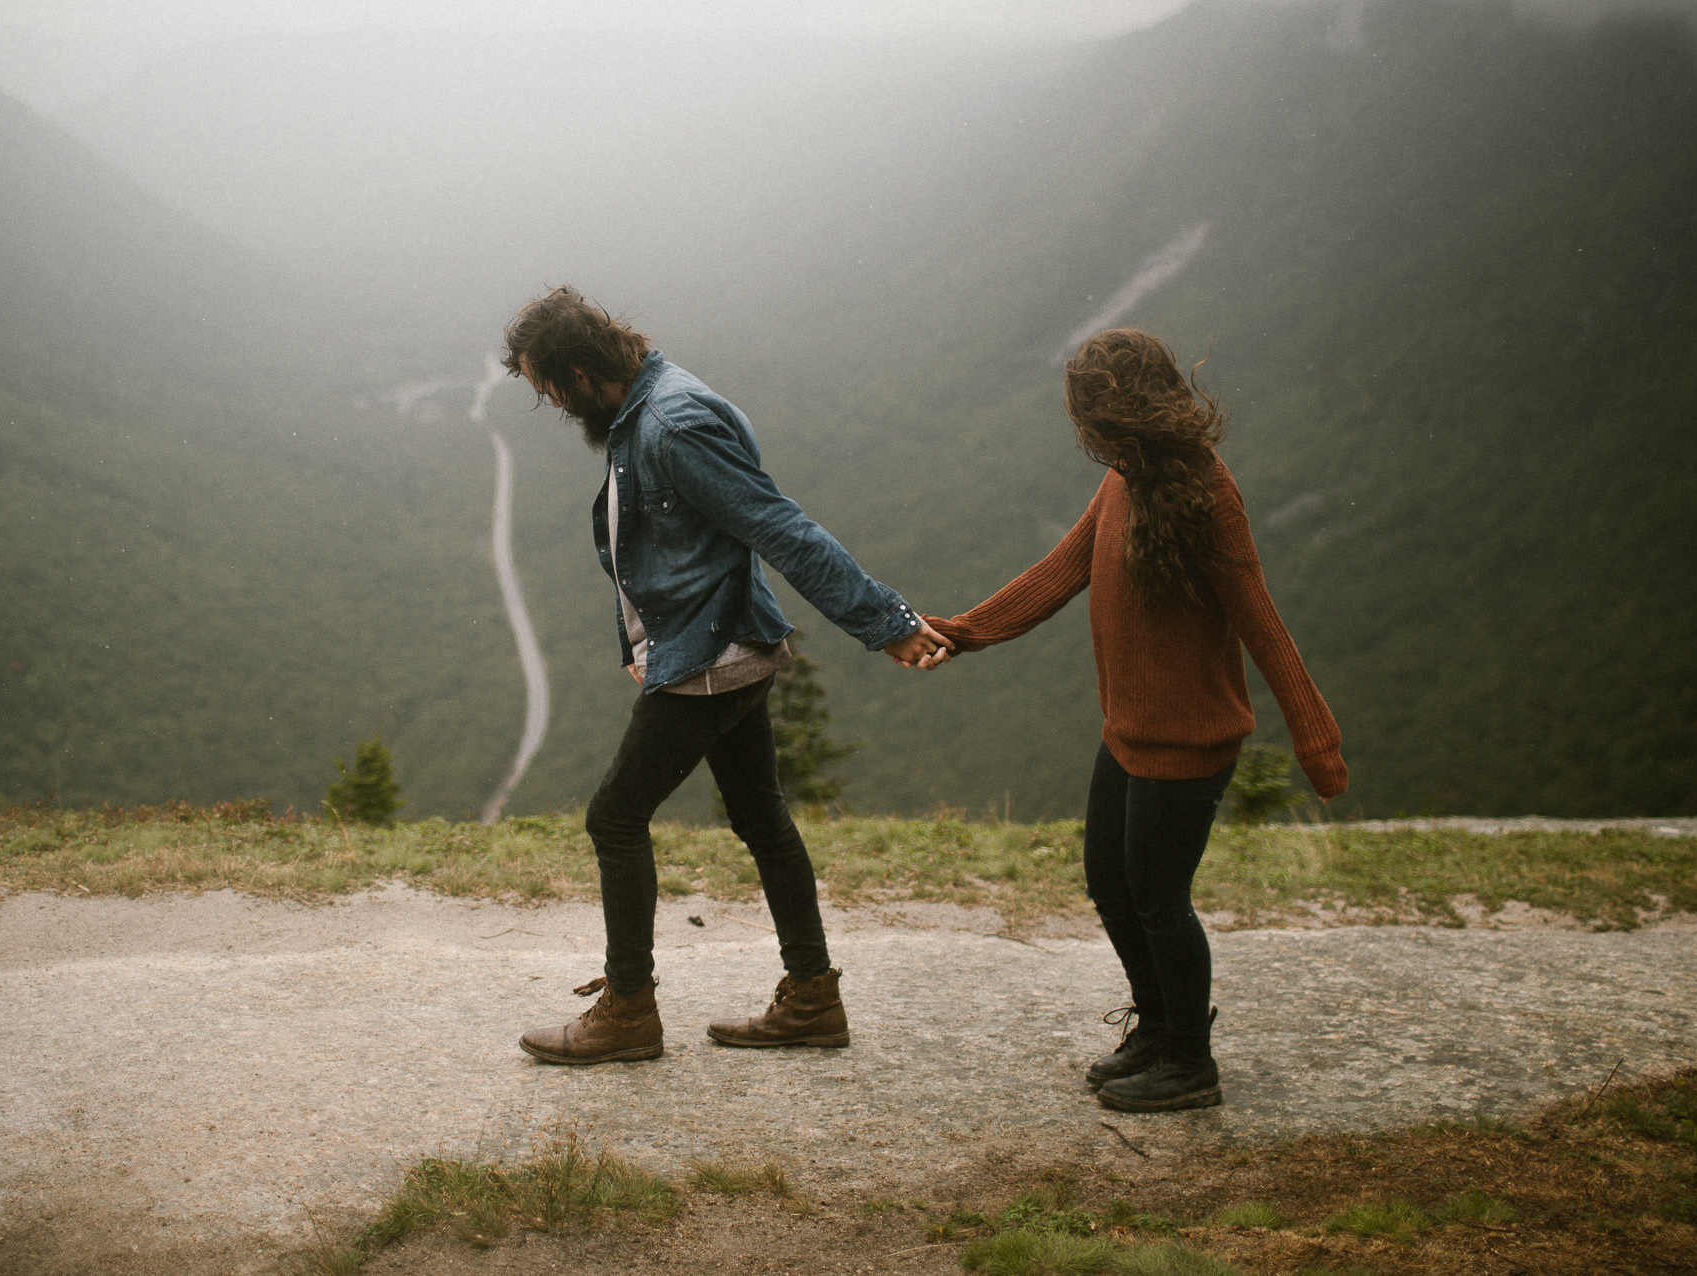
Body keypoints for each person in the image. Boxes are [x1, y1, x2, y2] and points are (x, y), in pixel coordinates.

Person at [502, 287, 951, 1066]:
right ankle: (812, 998)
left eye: (548, 390)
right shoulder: (643, 408)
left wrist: (888, 625)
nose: (551, 405)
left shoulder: (673, 424)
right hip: (720, 644)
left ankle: (629, 1014)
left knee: (614, 818)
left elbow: (780, 527)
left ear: (579, 372)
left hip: (714, 661)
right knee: (761, 817)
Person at [925, 329, 1346, 1113]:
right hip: (1127, 732)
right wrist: (964, 632)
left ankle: (1191, 1060)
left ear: (1111, 414)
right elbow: (1063, 570)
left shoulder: (1205, 492)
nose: (1082, 430)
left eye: (1086, 413)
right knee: (1110, 887)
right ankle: (1157, 1028)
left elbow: (1258, 615)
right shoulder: (1125, 479)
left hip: (1189, 743)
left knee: (1158, 898)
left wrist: (1316, 739)